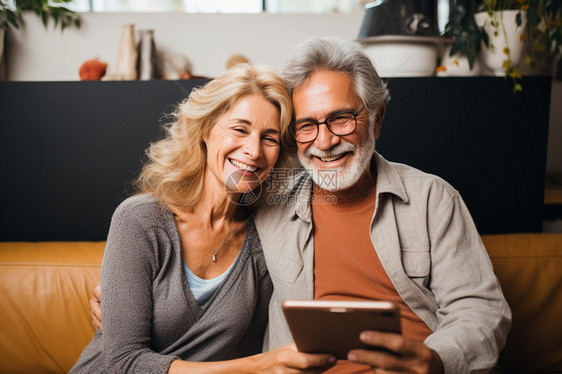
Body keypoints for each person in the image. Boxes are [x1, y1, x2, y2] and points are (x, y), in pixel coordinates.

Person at [90, 38, 512, 373]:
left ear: (377, 119)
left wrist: (435, 361)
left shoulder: (431, 199)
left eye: (341, 118)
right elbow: (184, 226)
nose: (325, 141)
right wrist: (116, 290)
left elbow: (481, 309)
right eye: (307, 125)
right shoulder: (272, 198)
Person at [71, 63, 335, 373]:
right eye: (240, 129)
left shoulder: (263, 242)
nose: (253, 150)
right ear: (205, 130)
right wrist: (262, 365)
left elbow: (249, 347)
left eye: (270, 138)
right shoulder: (140, 220)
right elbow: (124, 363)